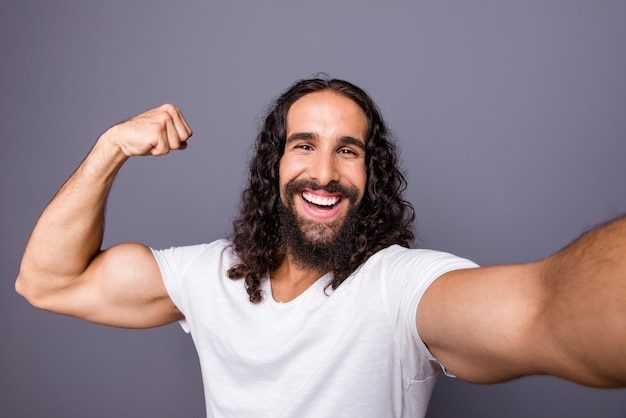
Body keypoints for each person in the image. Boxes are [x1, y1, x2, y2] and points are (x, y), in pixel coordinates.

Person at [16, 77, 626, 417]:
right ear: (274, 166)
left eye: (349, 150)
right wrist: (109, 149)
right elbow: (46, 282)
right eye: (304, 144)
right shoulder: (209, 275)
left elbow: (543, 312)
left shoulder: (398, 286)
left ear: (370, 175)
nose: (326, 172)